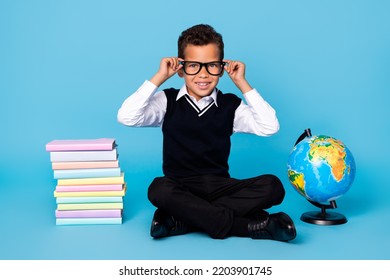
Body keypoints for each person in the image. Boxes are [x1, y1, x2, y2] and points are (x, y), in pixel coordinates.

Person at [117, 24, 296, 241]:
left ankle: (181, 219)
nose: (203, 74)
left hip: (221, 186)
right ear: (181, 69)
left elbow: (269, 127)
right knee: (158, 189)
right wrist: (159, 77)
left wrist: (241, 83)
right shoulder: (167, 101)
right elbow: (127, 116)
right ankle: (252, 226)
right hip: (180, 187)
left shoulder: (231, 105)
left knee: (273, 186)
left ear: (221, 68)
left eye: (211, 66)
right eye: (193, 66)